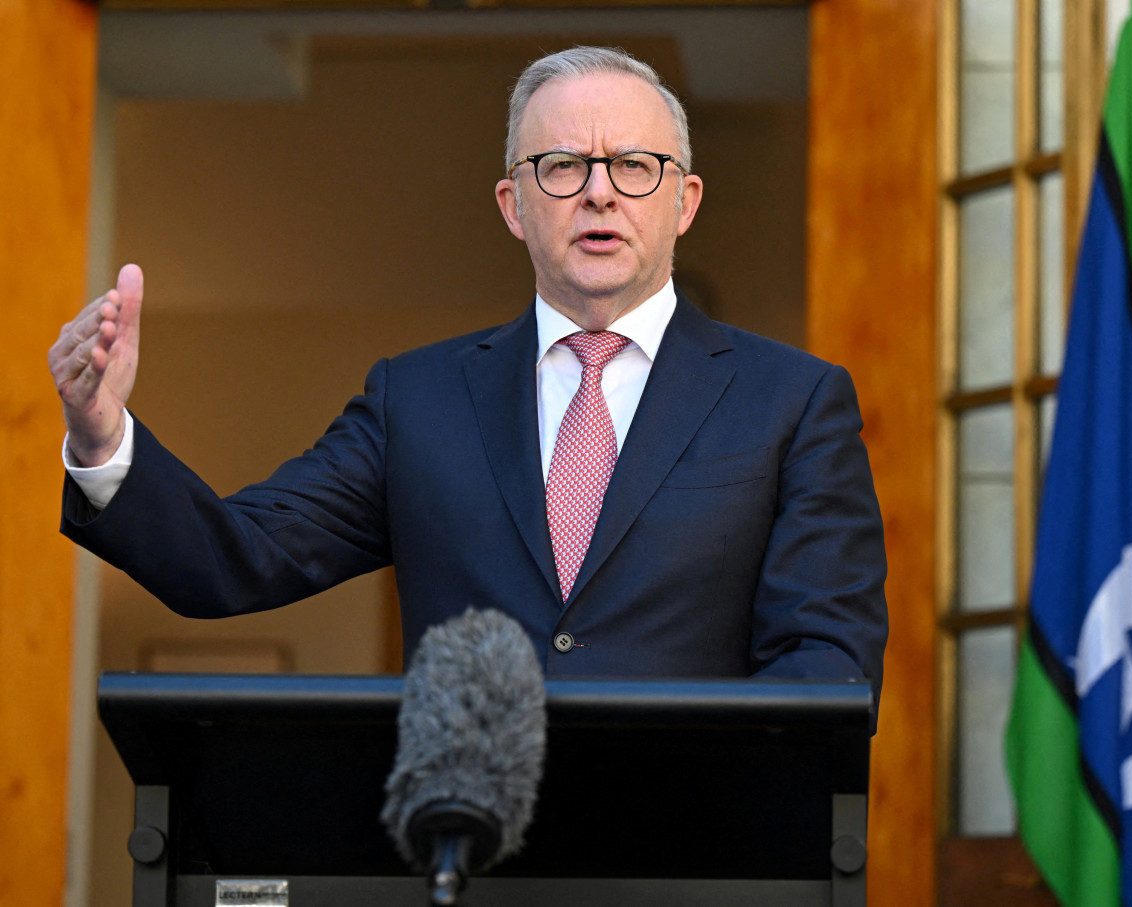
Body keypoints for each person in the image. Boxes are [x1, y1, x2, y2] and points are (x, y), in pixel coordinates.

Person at [49, 46, 889, 711]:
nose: (599, 193)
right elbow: (234, 560)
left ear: (686, 200)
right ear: (512, 206)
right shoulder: (416, 402)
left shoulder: (795, 403)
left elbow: (826, 667)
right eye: (561, 167)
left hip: (697, 864)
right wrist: (100, 437)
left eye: (635, 165)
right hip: (466, 858)